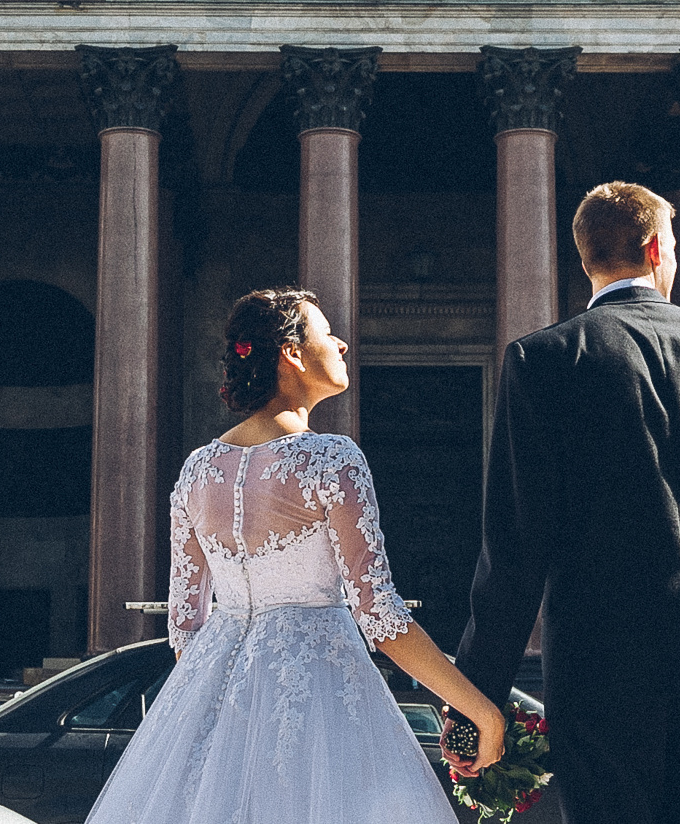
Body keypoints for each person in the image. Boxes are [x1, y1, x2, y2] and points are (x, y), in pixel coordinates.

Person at [84, 288, 505, 824]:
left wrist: (227, 711)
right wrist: (479, 709)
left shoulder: (197, 471)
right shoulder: (331, 459)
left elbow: (186, 627)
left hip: (210, 711)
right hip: (321, 709)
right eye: (328, 332)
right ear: (293, 353)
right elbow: (379, 613)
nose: (343, 343)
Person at [451, 182, 680, 824]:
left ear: (585, 261)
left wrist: (478, 698)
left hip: (599, 673)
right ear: (658, 247)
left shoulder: (543, 359)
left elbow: (516, 547)